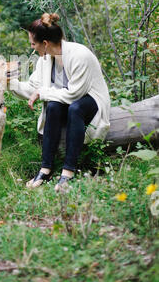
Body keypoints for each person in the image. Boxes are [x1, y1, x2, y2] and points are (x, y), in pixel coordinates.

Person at [9, 12, 111, 191]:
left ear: (45, 44)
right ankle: (46, 169)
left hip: (90, 99)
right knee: (54, 106)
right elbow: (34, 88)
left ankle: (68, 172)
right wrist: (9, 83)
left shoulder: (80, 55)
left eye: (33, 44)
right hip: (66, 101)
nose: (32, 49)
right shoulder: (45, 60)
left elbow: (74, 95)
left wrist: (42, 92)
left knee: (75, 108)